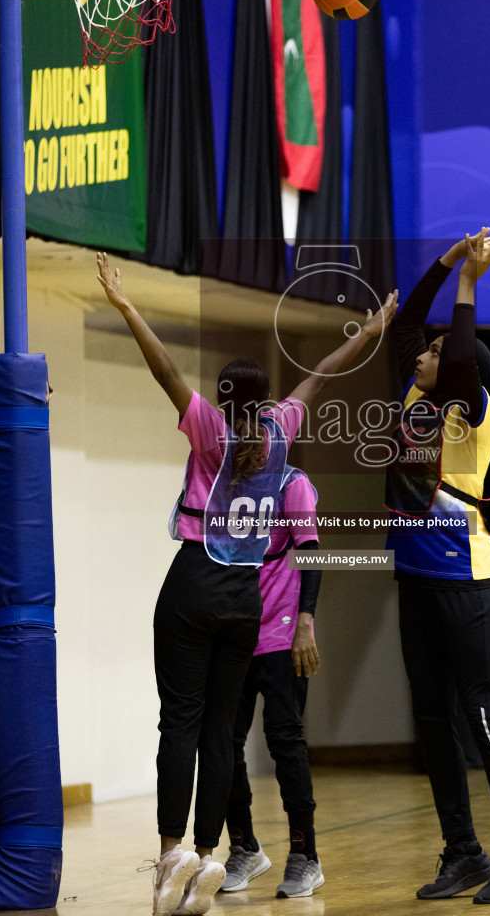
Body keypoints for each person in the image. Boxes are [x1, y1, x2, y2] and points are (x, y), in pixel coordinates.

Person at [95, 252, 397, 916]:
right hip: (246, 600)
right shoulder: (279, 432)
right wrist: (368, 333)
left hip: (198, 581)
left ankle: (178, 851)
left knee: (184, 723)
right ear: (262, 400)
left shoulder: (209, 430)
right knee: (221, 737)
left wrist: (125, 306)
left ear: (221, 397)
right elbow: (318, 377)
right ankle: (213, 853)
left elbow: (166, 371)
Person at [385, 230, 490, 904]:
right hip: (416, 582)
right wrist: (448, 261)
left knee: (483, 715)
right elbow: (403, 326)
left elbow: (451, 349)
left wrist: (470, 286)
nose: (422, 354)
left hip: (465, 583)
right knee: (431, 719)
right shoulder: (413, 401)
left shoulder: (469, 409)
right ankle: (463, 850)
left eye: (435, 350)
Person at [221, 463, 323, 898]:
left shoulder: (291, 483)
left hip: (283, 633)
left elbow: (311, 553)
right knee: (222, 743)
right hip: (236, 633)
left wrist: (306, 625)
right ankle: (244, 847)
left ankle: (306, 855)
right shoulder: (226, 485)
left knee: (284, 740)